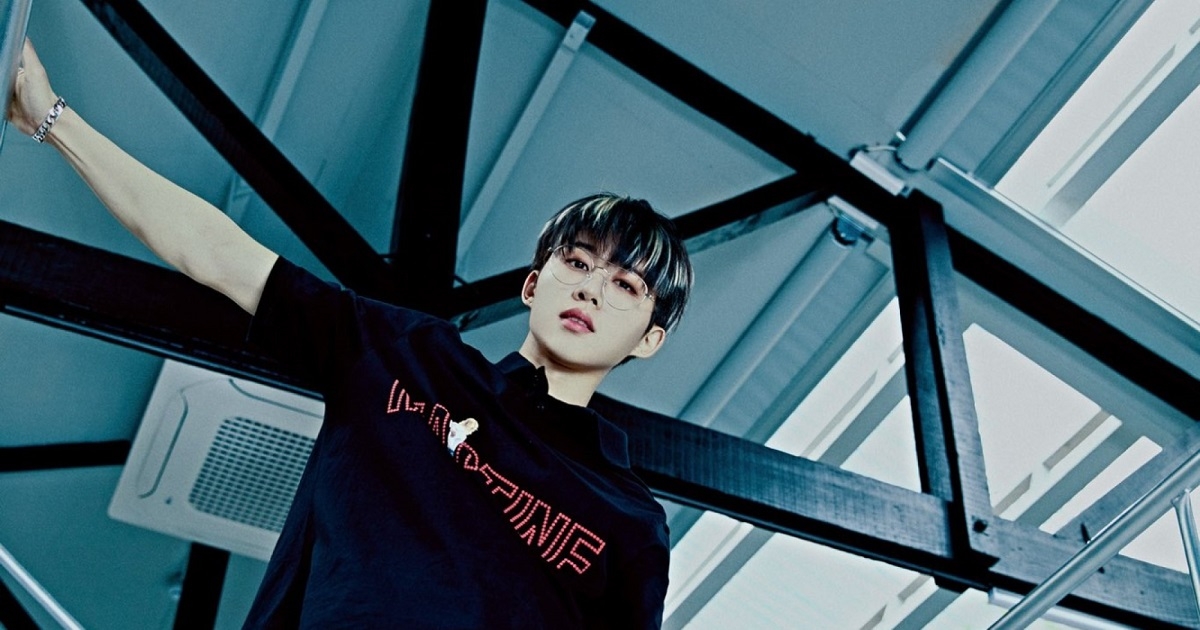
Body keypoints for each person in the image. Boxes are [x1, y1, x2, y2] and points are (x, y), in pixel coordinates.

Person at [8, 38, 693, 628]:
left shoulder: (628, 520)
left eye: (625, 286)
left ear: (649, 339)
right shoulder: (406, 356)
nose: (589, 289)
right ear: (534, 285)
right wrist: (51, 118)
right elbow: (217, 254)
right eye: (577, 262)